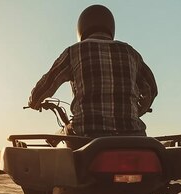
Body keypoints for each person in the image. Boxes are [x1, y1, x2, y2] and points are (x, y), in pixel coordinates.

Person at [28, 4, 157, 138]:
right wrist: (138, 110)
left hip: (87, 134)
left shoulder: (74, 52)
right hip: (133, 135)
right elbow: (151, 89)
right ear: (110, 28)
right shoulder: (131, 53)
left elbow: (48, 83)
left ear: (81, 28)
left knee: (60, 137)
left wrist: (34, 101)